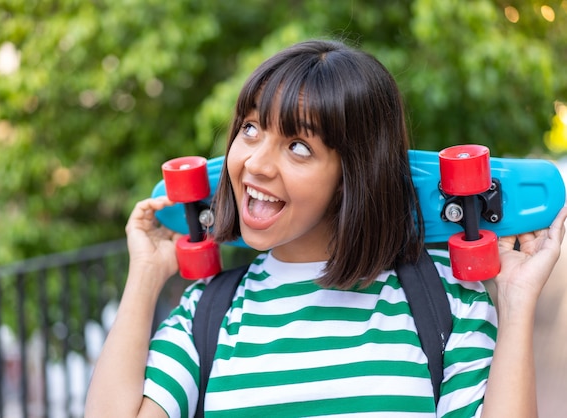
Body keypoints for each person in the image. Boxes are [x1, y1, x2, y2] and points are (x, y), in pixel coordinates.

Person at [85, 40, 567, 417]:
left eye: (298, 147)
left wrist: (516, 300)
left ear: (354, 174)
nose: (256, 163)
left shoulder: (443, 300)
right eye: (251, 128)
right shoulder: (209, 312)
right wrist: (146, 275)